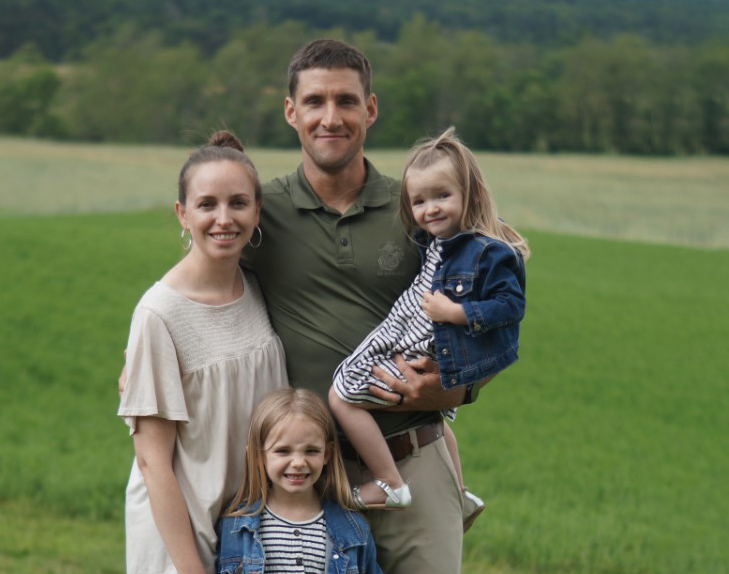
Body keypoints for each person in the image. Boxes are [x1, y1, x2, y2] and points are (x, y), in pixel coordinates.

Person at [241, 39, 480, 574]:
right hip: (308, 479)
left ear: (370, 109)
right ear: (291, 112)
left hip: (414, 465)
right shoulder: (262, 212)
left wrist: (452, 386)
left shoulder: (418, 208)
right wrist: (149, 346)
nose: (332, 117)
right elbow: (205, 285)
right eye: (315, 102)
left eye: (347, 101)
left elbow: (483, 321)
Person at [329, 127, 529, 529]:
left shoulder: (487, 250)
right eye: (419, 201)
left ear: (469, 194)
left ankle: (389, 483)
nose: (430, 209)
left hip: (428, 343)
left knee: (342, 395)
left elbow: (511, 306)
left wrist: (455, 313)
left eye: (442, 196)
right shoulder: (439, 240)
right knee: (433, 418)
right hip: (417, 334)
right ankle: (460, 493)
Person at [117, 131, 288, 574]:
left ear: (257, 211)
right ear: (182, 213)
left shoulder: (256, 289)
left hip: (248, 533)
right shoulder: (160, 314)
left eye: (238, 203)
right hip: (182, 538)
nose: (224, 218)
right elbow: (152, 461)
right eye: (207, 204)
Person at [216, 388, 383, 574]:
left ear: (326, 454)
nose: (298, 463)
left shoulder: (354, 528)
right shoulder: (236, 525)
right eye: (283, 451)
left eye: (311, 451)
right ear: (258, 455)